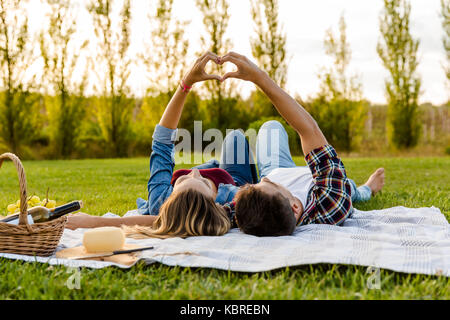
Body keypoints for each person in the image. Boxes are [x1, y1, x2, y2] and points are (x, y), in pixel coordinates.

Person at [66, 52, 258, 238]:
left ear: (170, 199)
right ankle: (216, 168)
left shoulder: (160, 201)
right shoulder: (235, 201)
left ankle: (204, 174)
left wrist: (186, 83)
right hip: (233, 179)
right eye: (203, 184)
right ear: (216, 206)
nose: (195, 172)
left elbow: (162, 141)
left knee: (208, 162)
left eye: (180, 181)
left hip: (203, 179)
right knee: (235, 137)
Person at [216, 52, 385, 236]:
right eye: (268, 184)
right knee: (352, 189)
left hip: (276, 169)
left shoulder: (248, 212)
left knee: (269, 127)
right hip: (317, 180)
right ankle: (369, 186)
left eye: (257, 184)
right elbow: (308, 129)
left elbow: (204, 215)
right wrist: (259, 77)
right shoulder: (330, 202)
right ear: (295, 207)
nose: (261, 179)